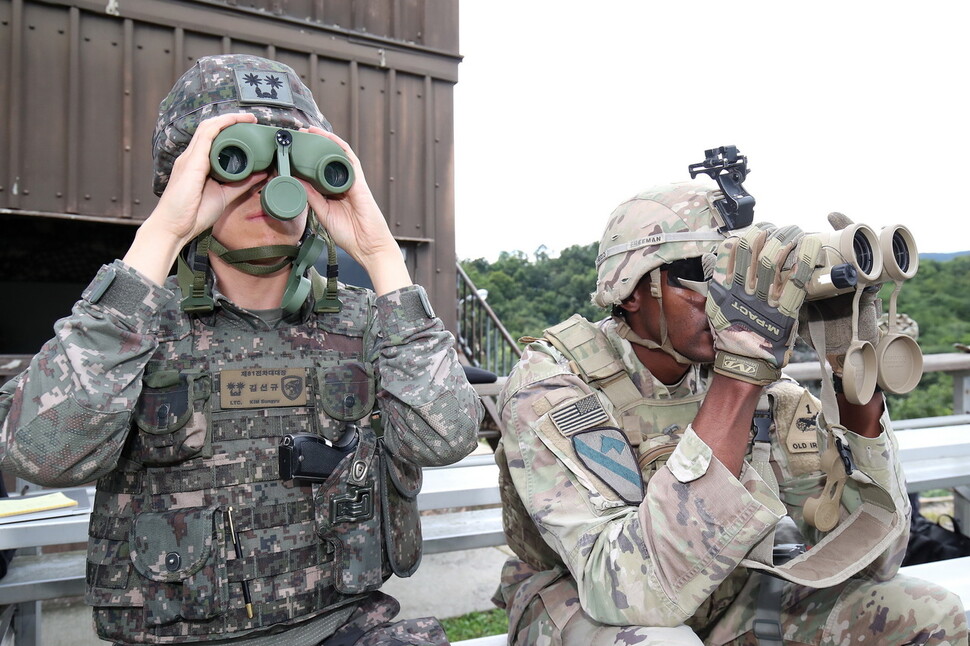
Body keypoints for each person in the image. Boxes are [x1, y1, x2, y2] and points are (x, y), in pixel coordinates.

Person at [0, 54, 483, 645]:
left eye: (293, 157)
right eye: (235, 159)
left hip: (343, 627)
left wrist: (382, 255)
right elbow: (41, 455)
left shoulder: (372, 322)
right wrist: (160, 235)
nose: (269, 182)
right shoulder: (128, 328)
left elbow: (448, 437)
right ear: (185, 179)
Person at [492, 181, 968, 645]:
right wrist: (740, 374)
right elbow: (626, 590)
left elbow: (874, 561)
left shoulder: (761, 387)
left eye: (738, 275)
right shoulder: (554, 389)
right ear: (631, 289)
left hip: (728, 595)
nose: (725, 298)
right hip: (582, 603)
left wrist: (853, 381)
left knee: (930, 615)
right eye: (704, 274)